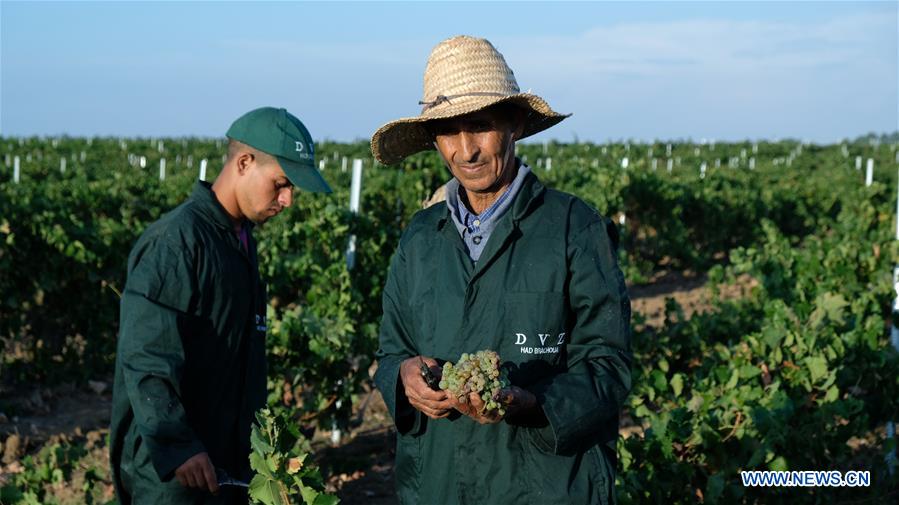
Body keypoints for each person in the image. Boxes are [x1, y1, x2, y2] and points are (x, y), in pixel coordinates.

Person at [371, 36, 632, 504]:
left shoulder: (574, 228)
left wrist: (532, 403)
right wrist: (403, 377)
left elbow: (608, 365)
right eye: (448, 132)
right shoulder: (420, 237)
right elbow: (392, 350)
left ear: (513, 124)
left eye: (481, 126)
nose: (465, 150)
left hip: (543, 487)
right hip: (439, 483)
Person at [109, 107, 332, 504]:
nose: (288, 199)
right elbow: (146, 359)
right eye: (281, 183)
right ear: (244, 163)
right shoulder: (177, 243)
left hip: (221, 461)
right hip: (175, 474)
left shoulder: (240, 240)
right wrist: (180, 447)